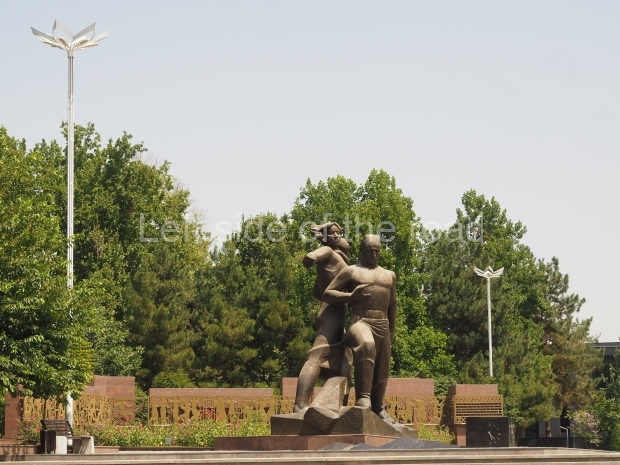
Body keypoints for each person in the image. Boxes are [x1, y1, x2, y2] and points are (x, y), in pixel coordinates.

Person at [323, 234, 397, 422]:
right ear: (362, 250)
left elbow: (392, 305)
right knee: (366, 345)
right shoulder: (351, 271)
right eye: (370, 251)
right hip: (360, 321)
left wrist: (392, 330)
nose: (374, 254)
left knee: (382, 365)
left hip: (382, 324)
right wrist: (350, 297)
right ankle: (363, 397)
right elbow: (328, 293)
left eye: (377, 251)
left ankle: (378, 407)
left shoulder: (389, 275)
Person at [293, 222, 352, 414]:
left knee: (345, 364)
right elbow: (311, 257)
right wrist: (312, 256)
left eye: (339, 233)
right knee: (316, 356)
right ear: (325, 237)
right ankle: (300, 404)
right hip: (331, 314)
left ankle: (338, 407)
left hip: (338, 315)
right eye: (332, 233)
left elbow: (317, 293)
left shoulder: (338, 257)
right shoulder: (327, 251)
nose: (337, 236)